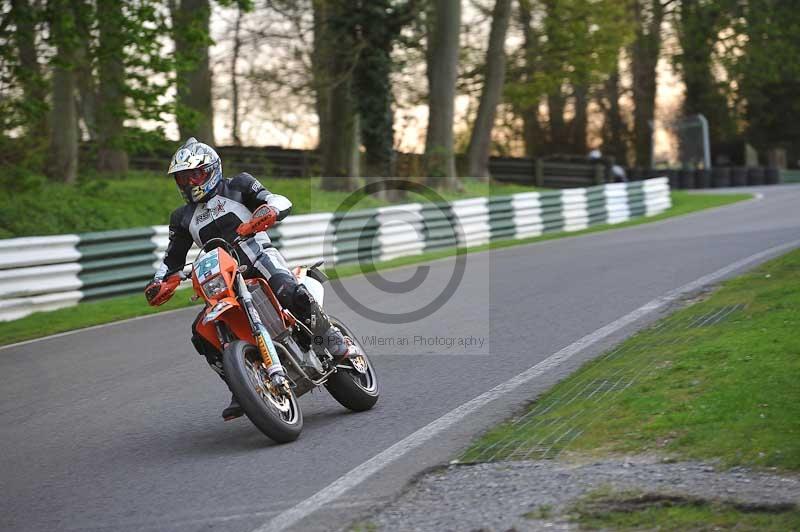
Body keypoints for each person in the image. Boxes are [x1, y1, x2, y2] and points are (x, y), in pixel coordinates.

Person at [144, 138, 353, 420]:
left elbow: (277, 200)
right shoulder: (181, 217)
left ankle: (331, 338)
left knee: (289, 290)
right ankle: (241, 382)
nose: (190, 182)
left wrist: (269, 211)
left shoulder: (239, 185)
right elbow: (172, 258)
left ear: (212, 169)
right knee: (201, 331)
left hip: (258, 258)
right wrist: (158, 282)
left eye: (196, 174)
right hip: (223, 279)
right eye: (183, 177)